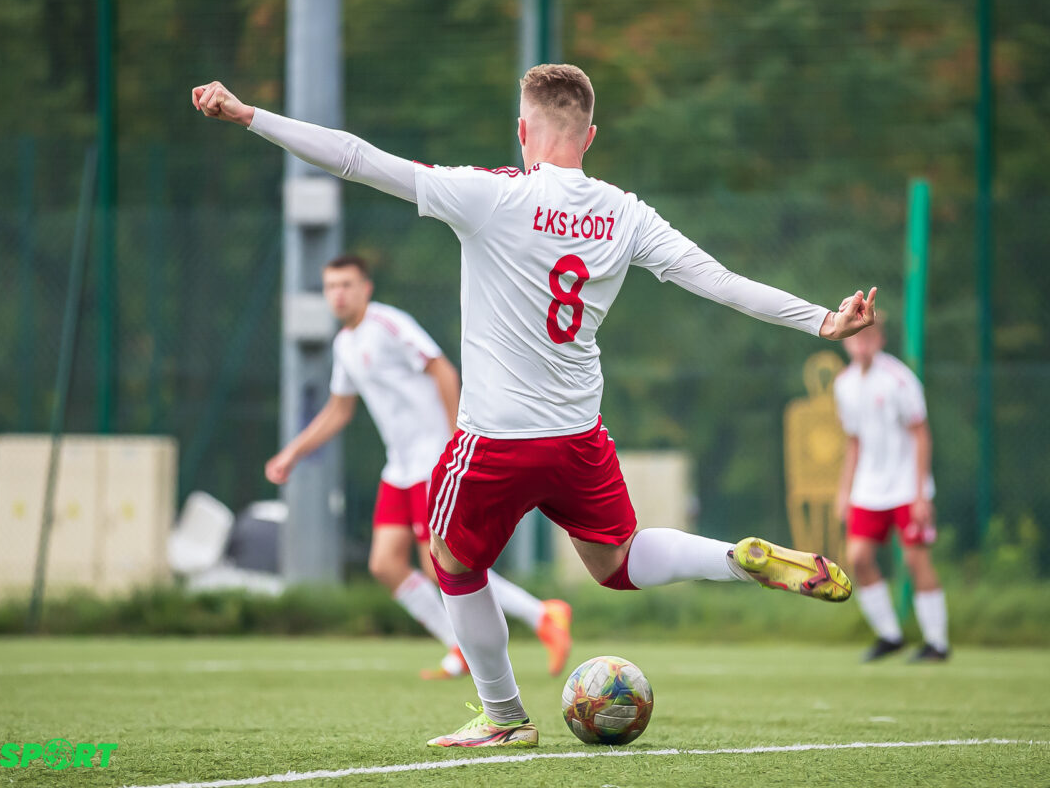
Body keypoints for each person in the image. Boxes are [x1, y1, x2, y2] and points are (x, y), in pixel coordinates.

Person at [193, 62, 875, 749]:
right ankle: (733, 557)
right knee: (616, 562)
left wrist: (251, 115)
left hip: (496, 437)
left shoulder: (491, 195)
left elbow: (357, 158)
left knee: (451, 562)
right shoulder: (625, 212)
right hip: (579, 437)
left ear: (524, 130)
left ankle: (505, 715)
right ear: (591, 134)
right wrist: (820, 319)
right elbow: (719, 281)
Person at [264, 254, 574, 680]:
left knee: (440, 564)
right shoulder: (345, 344)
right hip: (400, 466)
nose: (338, 294)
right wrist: (292, 453)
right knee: (385, 564)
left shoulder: (388, 324)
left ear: (366, 288)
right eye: (331, 286)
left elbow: (442, 370)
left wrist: (455, 440)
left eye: (346, 285)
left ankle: (543, 615)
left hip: (432, 459)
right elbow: (339, 410)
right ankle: (459, 645)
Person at [834, 315, 949, 663]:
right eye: (856, 336)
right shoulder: (844, 385)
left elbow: (921, 434)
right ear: (846, 341)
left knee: (915, 560)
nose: (862, 342)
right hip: (869, 488)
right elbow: (854, 443)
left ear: (881, 339)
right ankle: (889, 635)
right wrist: (844, 491)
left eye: (869, 336)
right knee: (858, 558)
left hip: (905, 487)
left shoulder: (900, 380)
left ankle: (937, 643)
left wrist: (919, 494)